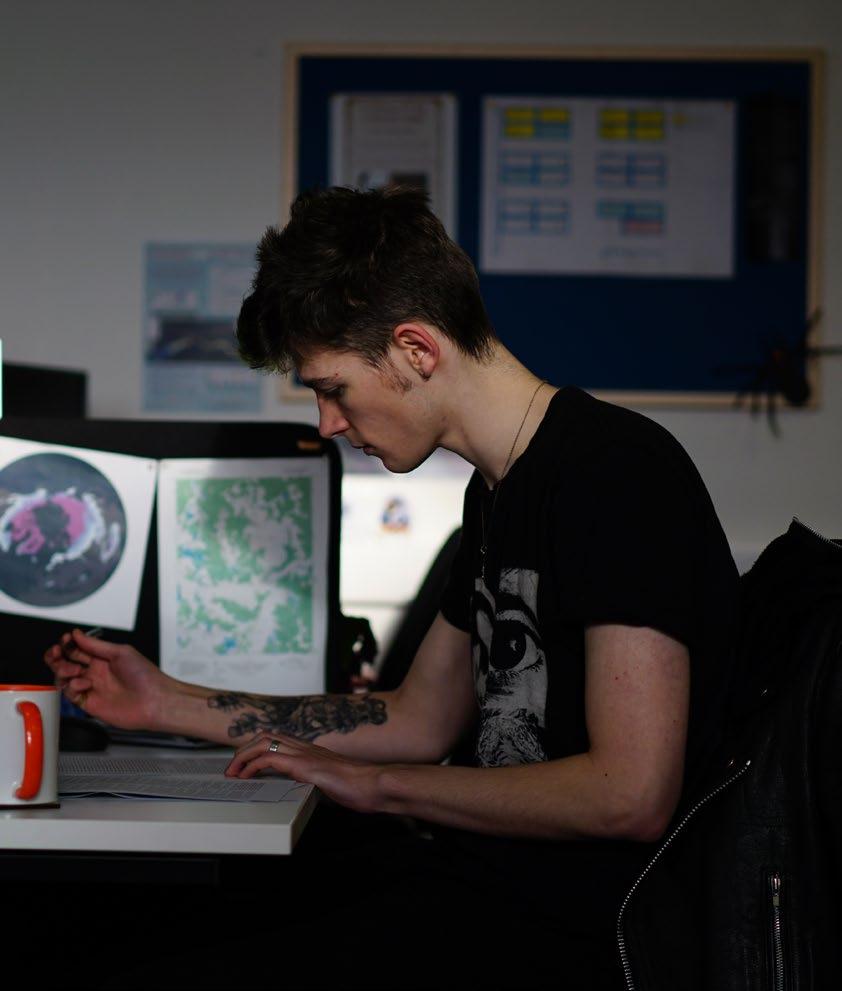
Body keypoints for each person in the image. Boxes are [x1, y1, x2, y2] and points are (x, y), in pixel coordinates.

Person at [44, 185, 740, 990]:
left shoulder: (616, 474)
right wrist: (166, 700)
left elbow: (631, 793)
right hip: (479, 885)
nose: (328, 422)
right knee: (117, 923)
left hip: (572, 930)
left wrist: (376, 785)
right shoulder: (496, 493)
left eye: (332, 387)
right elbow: (417, 718)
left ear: (416, 349)